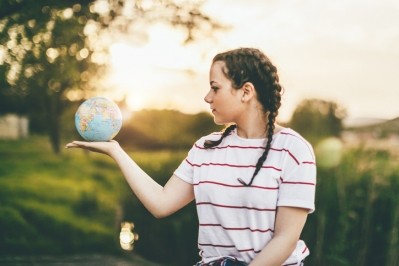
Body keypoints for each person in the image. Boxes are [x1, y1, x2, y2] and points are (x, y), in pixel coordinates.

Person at [66, 47, 316, 266]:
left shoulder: (294, 151)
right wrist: (116, 152)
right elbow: (161, 204)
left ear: (246, 91)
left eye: (215, 88)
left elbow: (285, 238)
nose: (207, 97)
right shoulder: (205, 148)